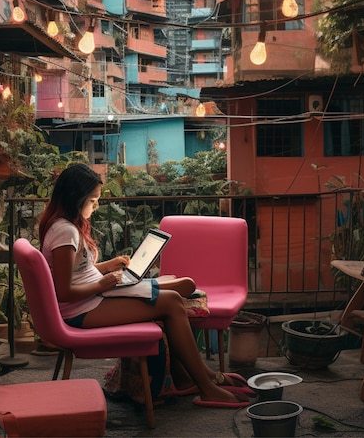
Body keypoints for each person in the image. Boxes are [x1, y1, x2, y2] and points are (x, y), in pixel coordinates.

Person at [38, 163, 252, 408]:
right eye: (93, 199)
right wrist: (102, 285)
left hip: (89, 299)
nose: (96, 205)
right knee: (172, 303)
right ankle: (207, 386)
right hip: (80, 310)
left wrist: (109, 266)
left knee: (172, 292)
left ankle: (198, 378)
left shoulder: (64, 226)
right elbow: (64, 291)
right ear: (76, 198)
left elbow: (77, 273)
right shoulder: (65, 232)